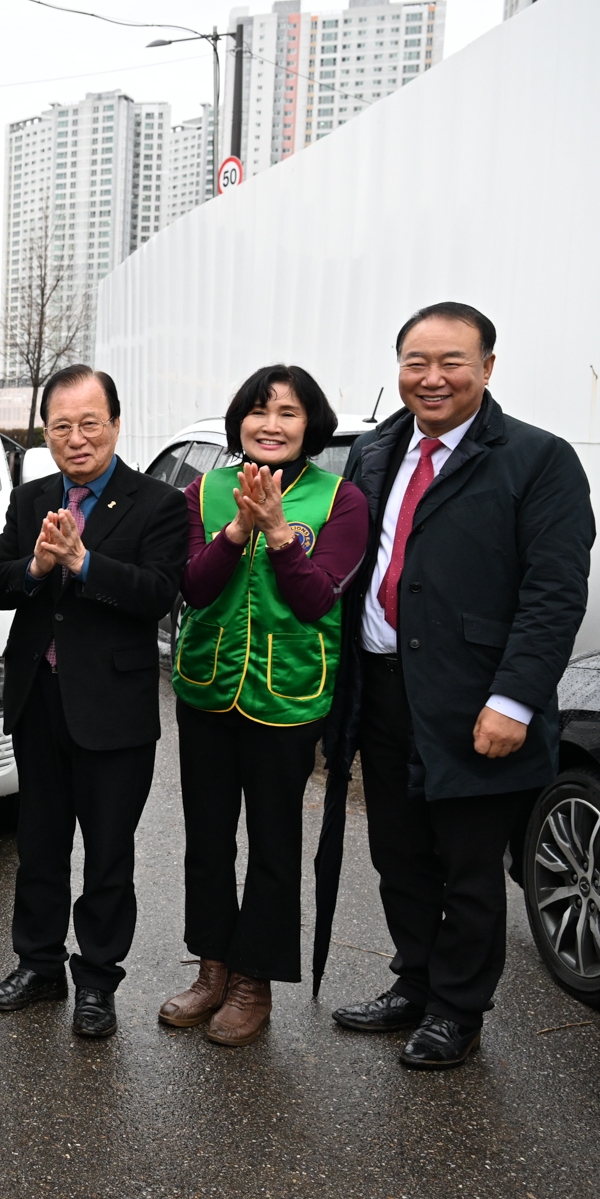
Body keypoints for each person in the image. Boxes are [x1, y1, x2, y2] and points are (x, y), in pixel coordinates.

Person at [331, 302, 593, 1069]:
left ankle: (457, 1009)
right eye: (416, 361)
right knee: (398, 855)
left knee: (469, 868)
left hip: (476, 702)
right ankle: (415, 981)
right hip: (383, 690)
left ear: (487, 367)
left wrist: (513, 700)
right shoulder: (377, 449)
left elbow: (554, 593)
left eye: (452, 361)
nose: (432, 377)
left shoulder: (538, 460)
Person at [161, 365, 370, 1046]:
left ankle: (254, 981)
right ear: (239, 421)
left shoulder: (340, 500)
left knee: (275, 844)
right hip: (207, 688)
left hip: (289, 694)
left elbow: (316, 599)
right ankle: (213, 967)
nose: (270, 425)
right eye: (258, 410)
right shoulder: (203, 491)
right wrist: (234, 532)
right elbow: (194, 588)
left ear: (311, 424)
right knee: (207, 839)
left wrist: (278, 531)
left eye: (287, 412)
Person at [0, 364, 188, 1037]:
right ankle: (37, 965)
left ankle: (97, 980)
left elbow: (158, 594)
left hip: (114, 707)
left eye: (89, 423)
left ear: (116, 425)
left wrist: (82, 562)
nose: (76, 438)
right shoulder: (31, 497)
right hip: (39, 698)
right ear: (45, 432)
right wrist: (37, 566)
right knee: (38, 846)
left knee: (107, 854)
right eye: (61, 426)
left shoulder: (159, 502)